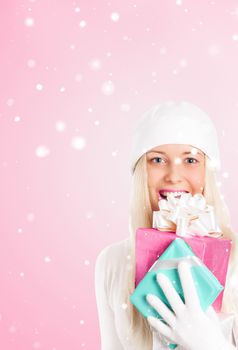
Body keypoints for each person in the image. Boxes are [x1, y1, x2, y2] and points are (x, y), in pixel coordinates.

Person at [94, 101, 238, 350]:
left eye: (191, 160)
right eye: (158, 160)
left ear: (208, 171)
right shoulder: (112, 261)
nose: (173, 175)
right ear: (141, 171)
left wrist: (211, 345)